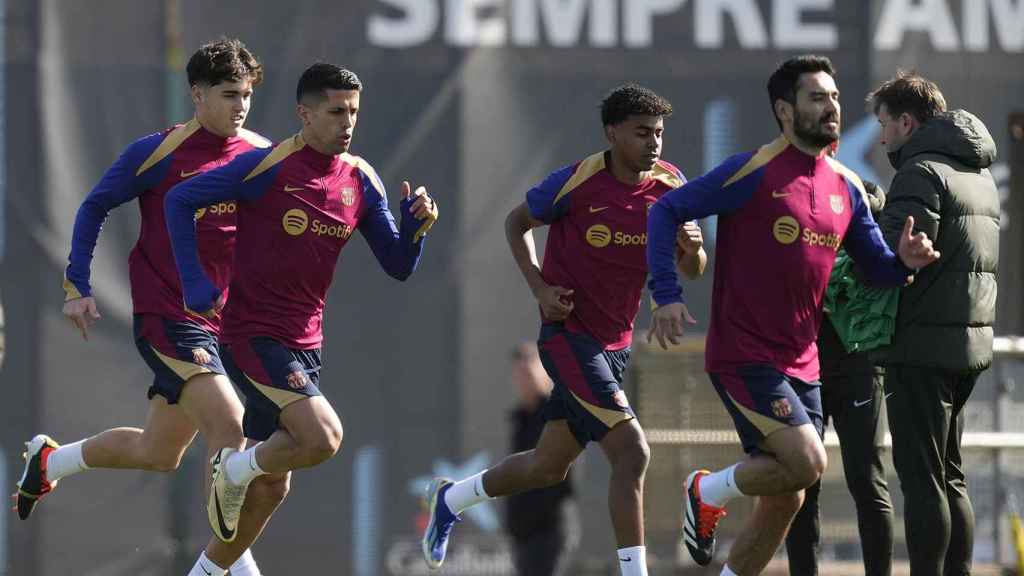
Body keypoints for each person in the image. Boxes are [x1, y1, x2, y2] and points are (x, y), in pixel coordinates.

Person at [645, 55, 940, 576]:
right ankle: (707, 488)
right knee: (808, 463)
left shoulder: (846, 186)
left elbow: (876, 268)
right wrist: (666, 294)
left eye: (834, 97)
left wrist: (905, 265)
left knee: (789, 496)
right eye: (816, 97)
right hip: (745, 356)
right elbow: (666, 210)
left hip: (806, 364)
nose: (831, 107)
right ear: (784, 110)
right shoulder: (751, 170)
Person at [164, 62, 438, 576]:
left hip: (305, 344)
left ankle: (205, 571)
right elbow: (180, 200)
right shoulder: (267, 166)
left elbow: (398, 265)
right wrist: (197, 284)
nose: (348, 121)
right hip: (251, 335)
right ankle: (234, 465)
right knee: (323, 437)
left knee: (274, 487)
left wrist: (415, 229)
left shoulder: (360, 178)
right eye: (336, 111)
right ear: (304, 114)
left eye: (354, 111)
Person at [422, 83, 707, 576]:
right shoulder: (577, 182)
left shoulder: (671, 186)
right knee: (633, 452)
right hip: (569, 339)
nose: (654, 144)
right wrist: (538, 288)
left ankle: (452, 499)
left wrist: (692, 247)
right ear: (612, 133)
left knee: (548, 465)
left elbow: (695, 269)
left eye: (659, 133)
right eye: (642, 133)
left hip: (615, 347)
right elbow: (516, 223)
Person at [13, 38, 272, 576]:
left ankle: (50, 460)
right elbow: (94, 207)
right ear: (197, 95)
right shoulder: (157, 152)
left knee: (159, 453)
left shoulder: (261, 154)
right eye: (229, 95)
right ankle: (226, 567)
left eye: (246, 95)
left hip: (224, 326)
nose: (240, 105)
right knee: (231, 423)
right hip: (166, 316)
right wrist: (77, 285)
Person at [868, 71, 999, 576]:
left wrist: (868, 225)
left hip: (918, 346)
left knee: (923, 480)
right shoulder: (978, 173)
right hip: (966, 345)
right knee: (951, 475)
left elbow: (894, 253)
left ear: (907, 121)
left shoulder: (921, 171)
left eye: (884, 124)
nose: (881, 138)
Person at [785, 141, 896, 576]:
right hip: (805, 370)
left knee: (866, 482)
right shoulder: (804, 236)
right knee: (802, 484)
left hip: (857, 369)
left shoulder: (874, 243)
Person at [504, 342, 578, 576]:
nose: (525, 378)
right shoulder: (519, 418)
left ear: (545, 373)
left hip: (550, 530)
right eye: (520, 372)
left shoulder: (557, 412)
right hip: (523, 534)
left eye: (529, 370)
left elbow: (563, 473)